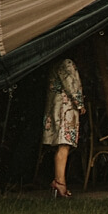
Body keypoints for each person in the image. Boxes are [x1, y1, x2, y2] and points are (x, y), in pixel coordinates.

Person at [41, 56, 85, 198]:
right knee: (64, 145)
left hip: (56, 106)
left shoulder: (54, 63)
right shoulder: (66, 63)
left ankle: (59, 181)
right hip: (65, 108)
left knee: (62, 146)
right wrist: (79, 103)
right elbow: (71, 84)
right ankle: (60, 182)